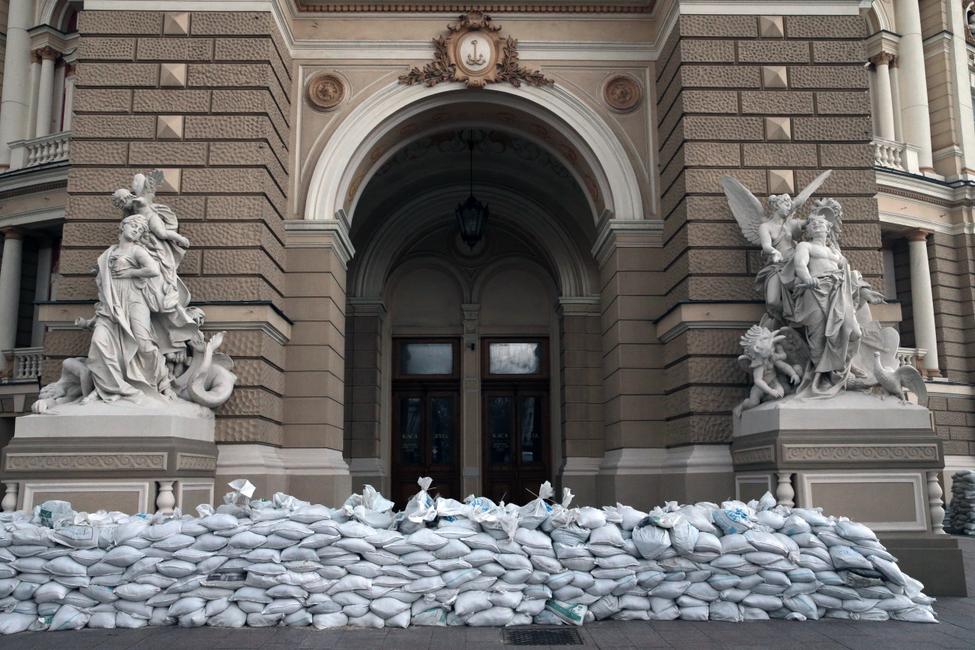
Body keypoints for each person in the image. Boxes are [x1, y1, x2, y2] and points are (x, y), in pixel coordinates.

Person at [82, 214, 174, 403]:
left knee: (143, 344)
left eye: (140, 230)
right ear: (122, 226)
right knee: (99, 343)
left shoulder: (137, 250)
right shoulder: (108, 253)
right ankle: (109, 389)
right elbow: (103, 283)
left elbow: (153, 270)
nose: (136, 231)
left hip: (134, 300)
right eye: (133, 226)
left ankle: (160, 383)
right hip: (111, 306)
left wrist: (130, 272)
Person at [790, 214, 862, 397]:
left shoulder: (836, 252)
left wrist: (860, 286)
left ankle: (843, 369)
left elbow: (848, 273)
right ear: (809, 230)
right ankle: (823, 377)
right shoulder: (805, 246)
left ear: (828, 228)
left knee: (854, 332)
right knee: (818, 336)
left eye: (821, 223)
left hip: (837, 292)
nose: (817, 225)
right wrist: (807, 279)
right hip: (815, 290)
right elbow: (800, 265)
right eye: (813, 224)